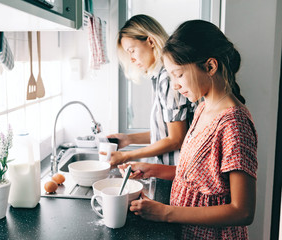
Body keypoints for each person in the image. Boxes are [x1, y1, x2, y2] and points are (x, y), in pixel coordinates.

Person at [118, 19, 258, 240]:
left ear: (210, 66)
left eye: (179, 74)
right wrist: (151, 169)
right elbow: (199, 179)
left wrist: (165, 213)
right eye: (171, 75)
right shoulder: (203, 108)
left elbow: (242, 211)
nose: (174, 84)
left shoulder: (234, 124)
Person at [104, 14, 194, 167]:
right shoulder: (158, 77)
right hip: (170, 171)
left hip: (177, 173)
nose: (131, 59)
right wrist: (128, 139)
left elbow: (176, 139)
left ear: (150, 41)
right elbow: (165, 134)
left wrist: (127, 156)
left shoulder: (168, 77)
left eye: (132, 50)